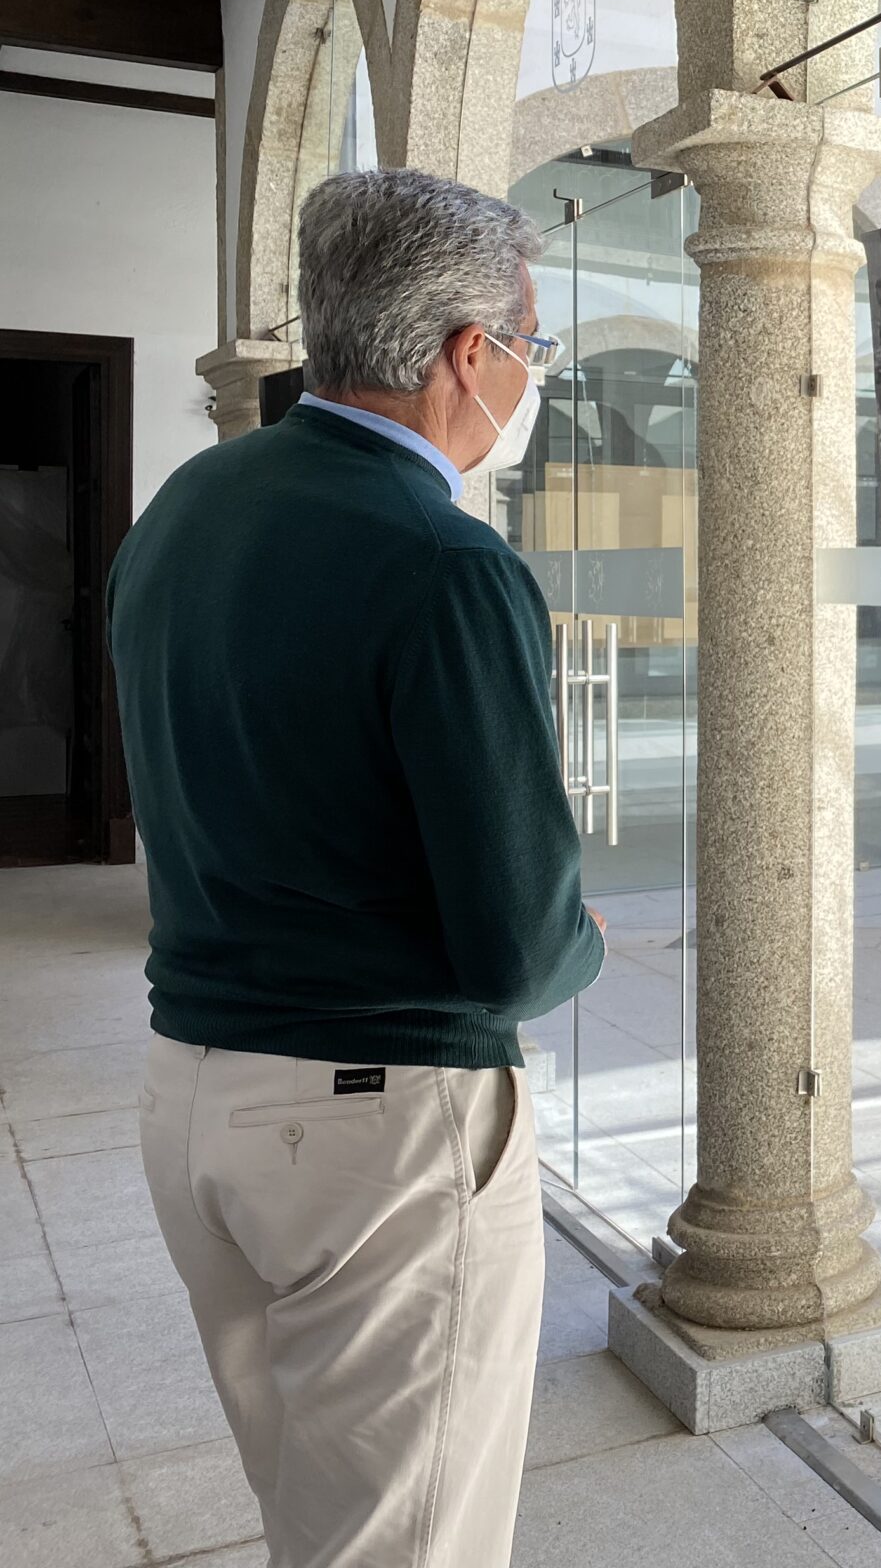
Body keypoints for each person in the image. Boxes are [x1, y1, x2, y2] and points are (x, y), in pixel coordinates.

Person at [107, 167, 606, 1567]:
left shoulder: (181, 514)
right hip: (376, 1129)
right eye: (534, 346)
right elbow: (519, 940)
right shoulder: (445, 561)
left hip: (191, 1095)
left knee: (315, 1517)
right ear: (467, 354)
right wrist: (589, 936)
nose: (530, 375)